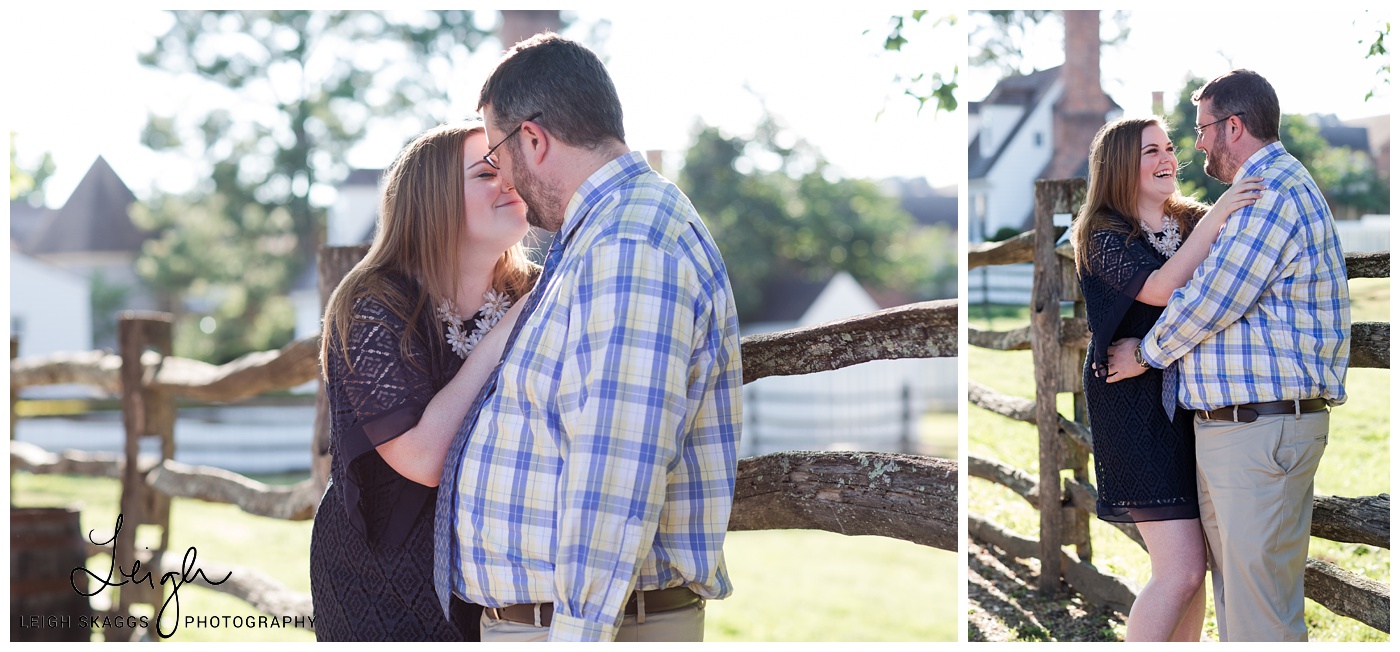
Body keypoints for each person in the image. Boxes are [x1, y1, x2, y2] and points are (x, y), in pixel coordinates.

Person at [430, 33, 744, 642]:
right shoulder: (605, 235)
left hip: (586, 629)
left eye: (499, 154)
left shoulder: (629, 245)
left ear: (533, 138)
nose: (505, 181)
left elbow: (617, 463)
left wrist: (575, 635)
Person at [1105, 70, 1351, 642]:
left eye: (1201, 129)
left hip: (1259, 431)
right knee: (1241, 609)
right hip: (1241, 431)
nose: (1194, 144)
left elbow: (1212, 300)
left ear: (1232, 126)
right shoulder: (1256, 193)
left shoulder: (1272, 193)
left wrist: (1145, 352)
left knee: (1260, 618)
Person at [309, 121, 538, 641]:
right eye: (487, 173)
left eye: (511, 170)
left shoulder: (537, 293)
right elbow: (422, 459)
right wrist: (511, 327)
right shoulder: (372, 305)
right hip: (378, 587)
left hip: (504, 586)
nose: (511, 182)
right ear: (432, 198)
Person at [1072, 115, 1262, 642]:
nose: (1167, 160)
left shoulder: (1188, 220)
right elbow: (1158, 289)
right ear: (1117, 167)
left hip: (1191, 400)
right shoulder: (1100, 235)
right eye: (1149, 152)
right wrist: (1223, 208)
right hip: (1131, 405)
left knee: (1194, 568)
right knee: (1178, 571)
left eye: (1169, 148)